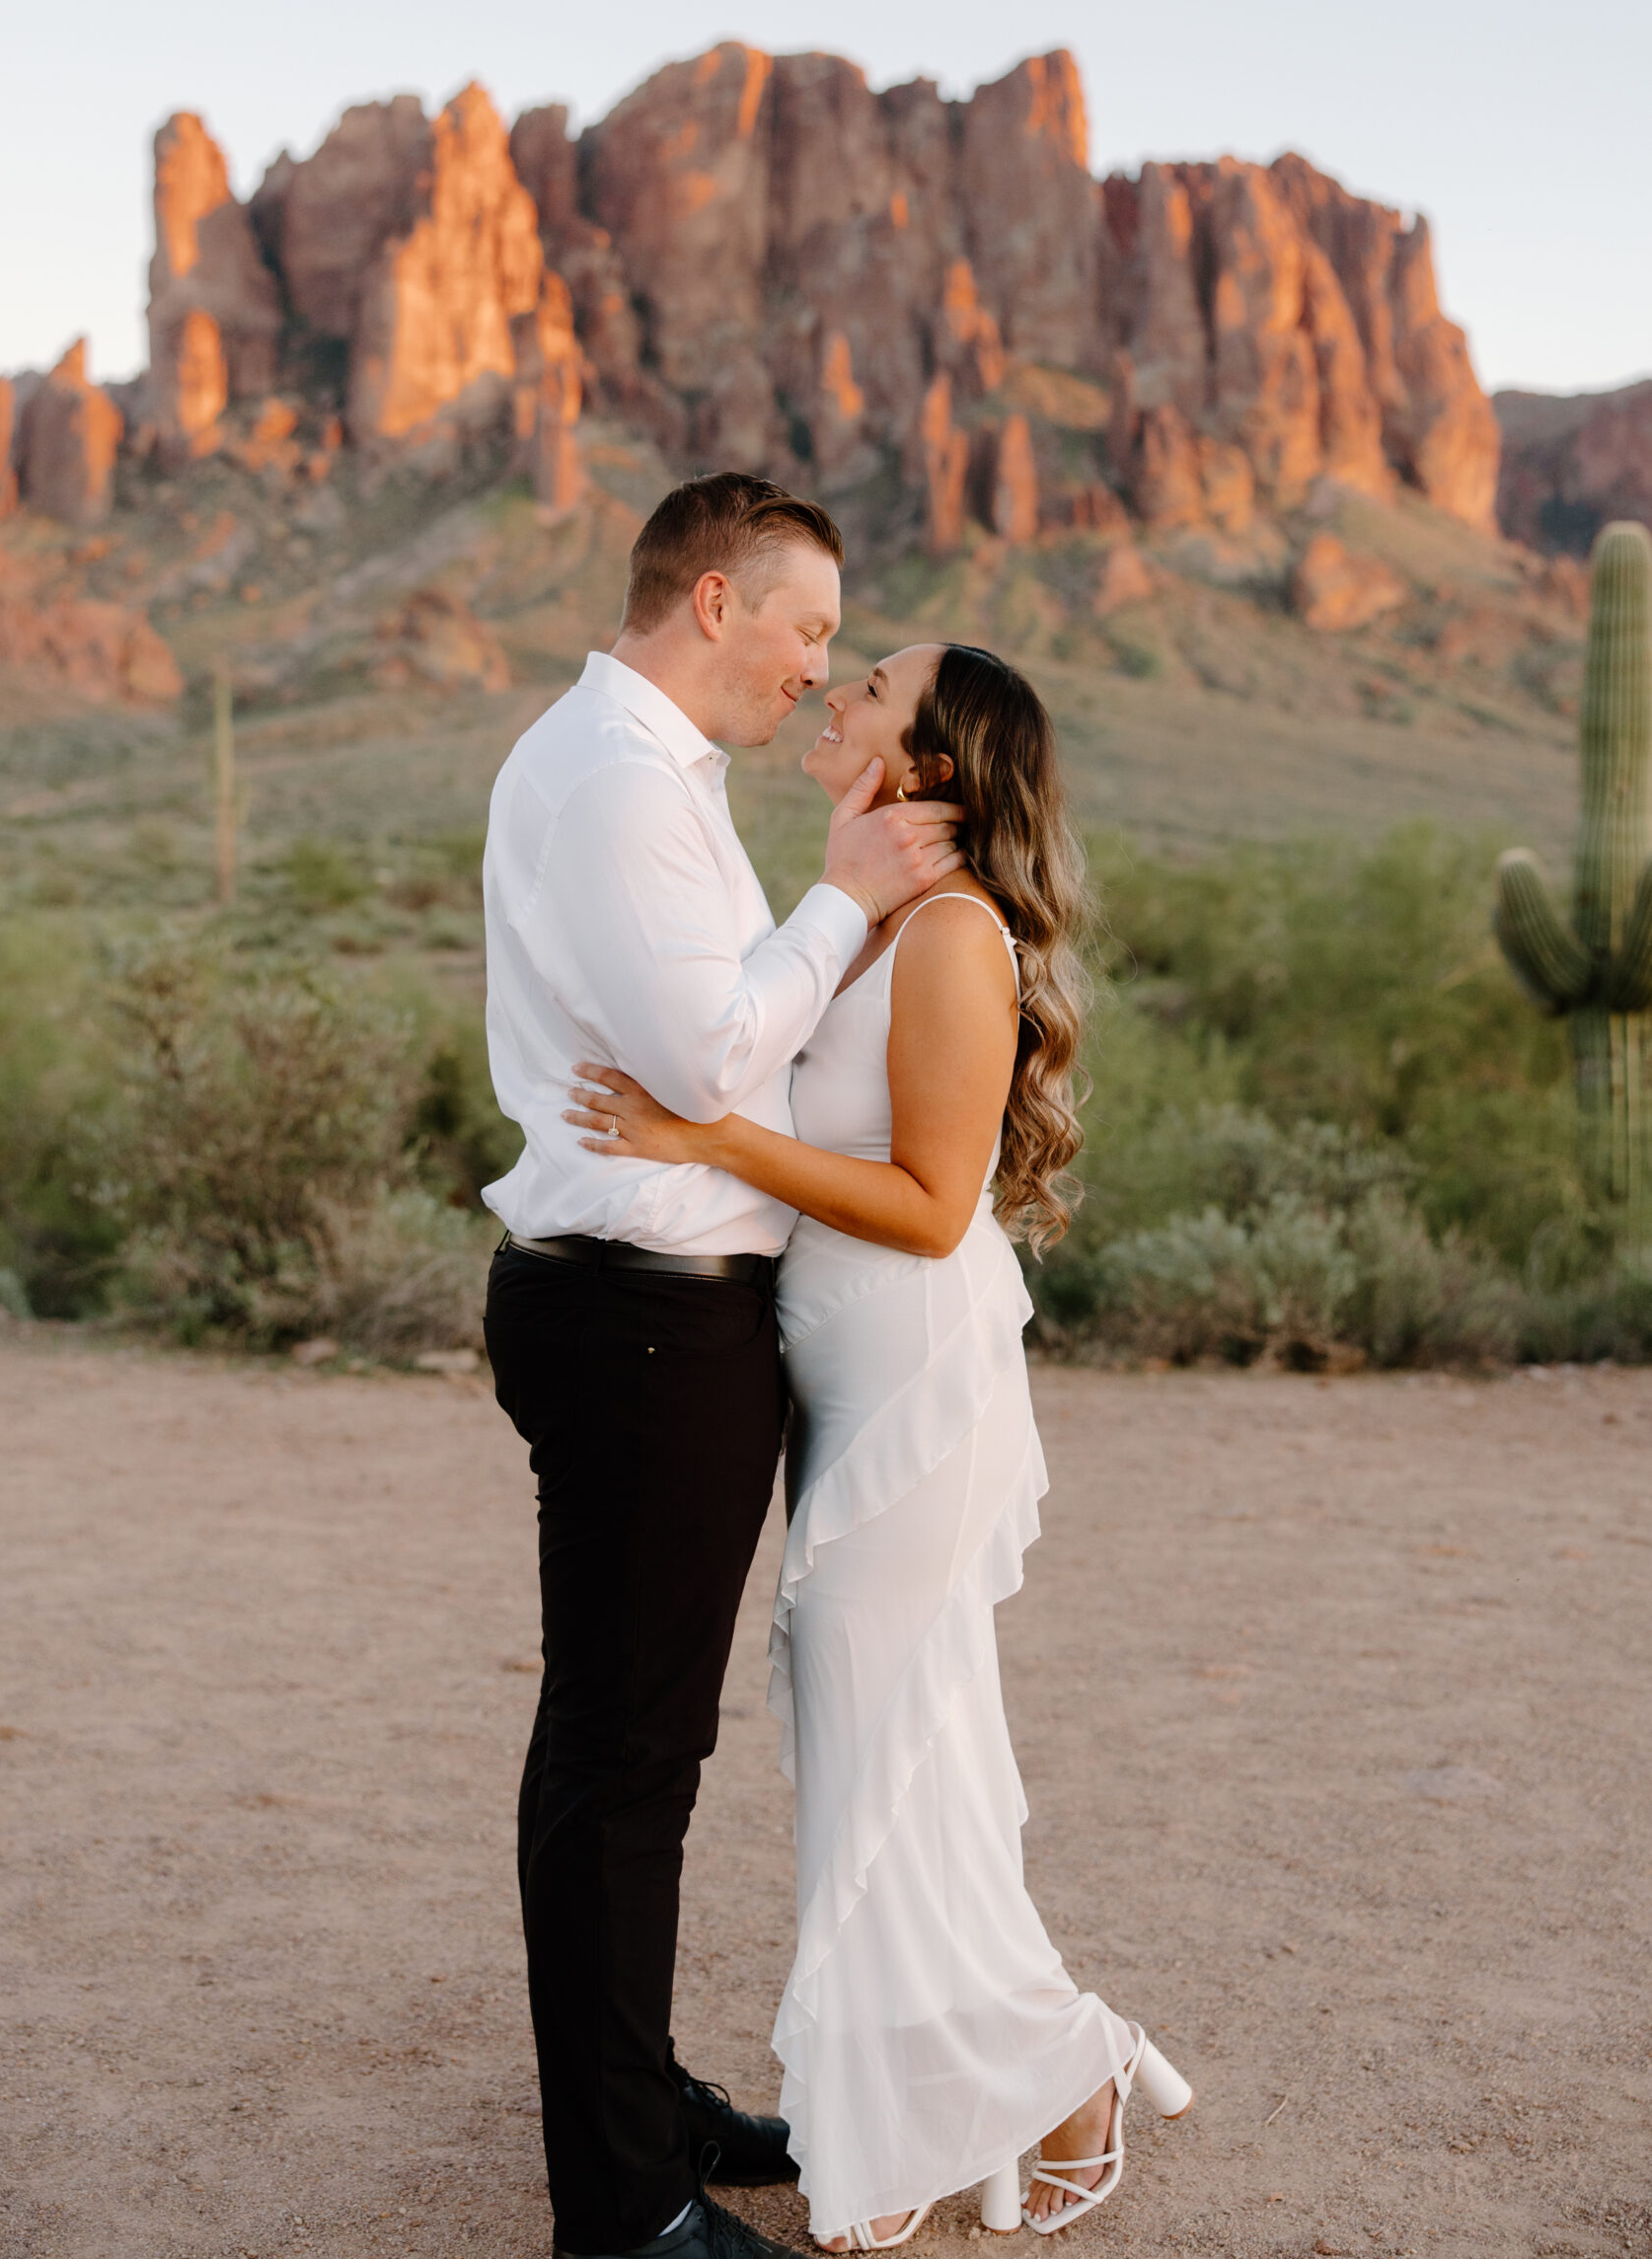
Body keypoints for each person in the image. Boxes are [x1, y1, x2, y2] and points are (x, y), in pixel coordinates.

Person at [564, 641, 1194, 2250]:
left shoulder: (956, 937)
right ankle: (1005, 2077)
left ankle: (1041, 2074)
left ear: (925, 764)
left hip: (918, 1382)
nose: (834, 689)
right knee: (902, 1748)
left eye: (873, 688)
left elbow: (926, 1211)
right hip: (842, 1376)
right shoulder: (869, 920)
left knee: (875, 1744)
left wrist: (704, 1133)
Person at [480, 474, 967, 2259]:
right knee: (623, 1757)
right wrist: (843, 897)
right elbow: (704, 1052)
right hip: (635, 1317)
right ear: (709, 600)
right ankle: (622, 2207)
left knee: (634, 1748)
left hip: (652, 1313)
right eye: (808, 629)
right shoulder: (617, 783)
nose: (814, 668)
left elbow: (715, 1073)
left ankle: (640, 2102)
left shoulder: (645, 774)